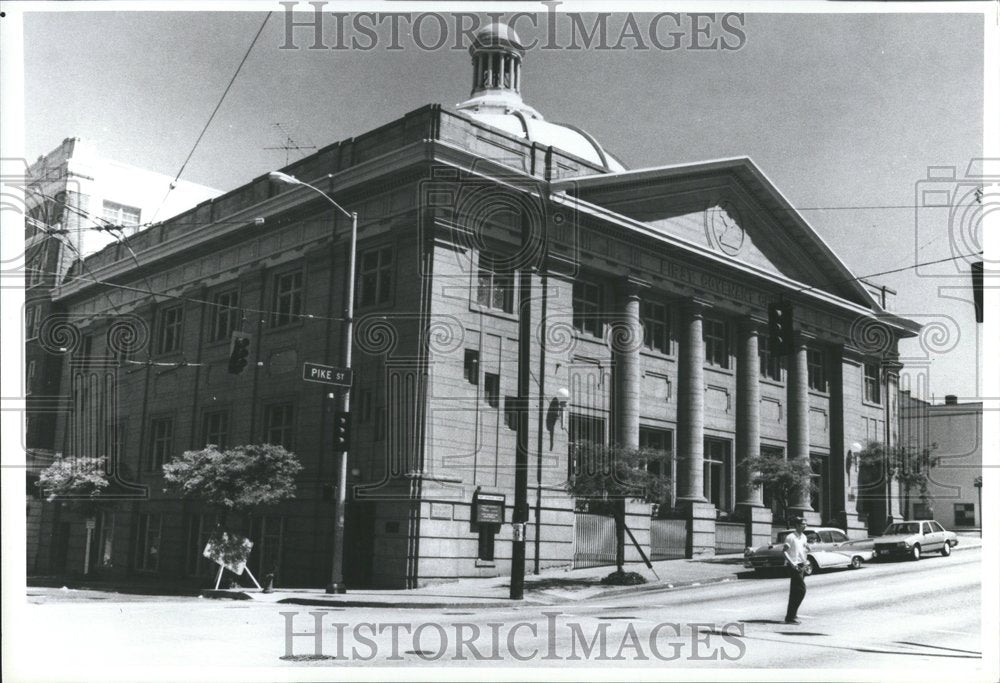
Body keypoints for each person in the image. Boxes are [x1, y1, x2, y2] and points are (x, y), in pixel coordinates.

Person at [782, 516, 811, 624]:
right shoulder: (790, 537)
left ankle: (791, 616)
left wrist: (807, 549)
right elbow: (784, 552)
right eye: (803, 524)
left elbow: (803, 549)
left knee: (795, 592)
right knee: (801, 590)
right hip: (793, 565)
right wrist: (792, 564)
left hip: (801, 565)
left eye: (805, 524)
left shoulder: (803, 537)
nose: (805, 526)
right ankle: (791, 615)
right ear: (797, 525)